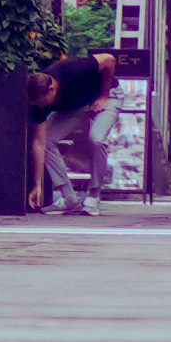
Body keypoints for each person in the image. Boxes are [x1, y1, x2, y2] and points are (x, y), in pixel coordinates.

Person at [36, 36, 117, 214]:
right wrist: (36, 185)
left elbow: (108, 59)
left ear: (52, 89)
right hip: (78, 105)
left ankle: (93, 195)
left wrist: (104, 95)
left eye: (44, 103)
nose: (44, 107)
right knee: (48, 139)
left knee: (96, 138)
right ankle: (69, 198)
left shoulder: (73, 70)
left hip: (104, 96)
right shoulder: (38, 99)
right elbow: (39, 142)